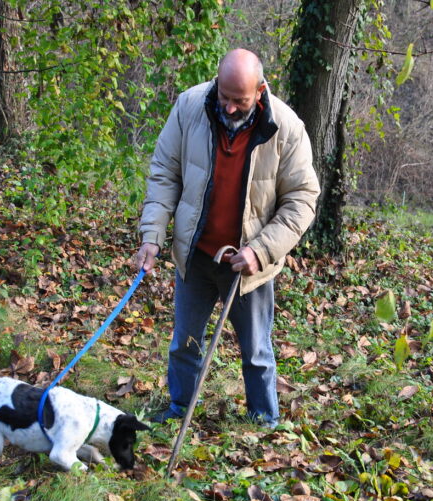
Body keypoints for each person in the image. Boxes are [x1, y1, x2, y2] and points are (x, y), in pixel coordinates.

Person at [135, 48, 320, 428]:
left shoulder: (286, 127)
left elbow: (302, 200)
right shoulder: (189, 107)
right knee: (184, 343)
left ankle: (264, 421)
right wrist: (152, 234)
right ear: (216, 83)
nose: (231, 108)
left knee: (256, 351)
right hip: (196, 254)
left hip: (247, 264)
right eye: (225, 97)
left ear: (261, 89)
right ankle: (179, 409)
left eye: (241, 100)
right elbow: (164, 174)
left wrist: (261, 251)